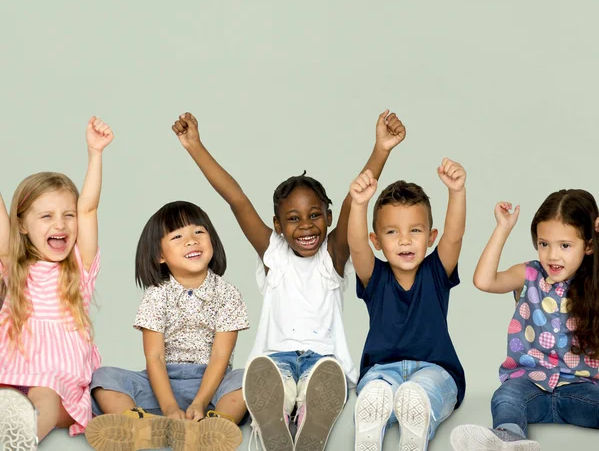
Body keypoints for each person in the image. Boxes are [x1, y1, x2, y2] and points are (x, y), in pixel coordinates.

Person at [172, 109, 405, 451]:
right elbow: (236, 198)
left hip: (323, 362)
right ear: (278, 226)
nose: (306, 226)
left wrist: (381, 149)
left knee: (320, 383)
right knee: (274, 387)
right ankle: (276, 421)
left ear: (327, 217)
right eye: (293, 219)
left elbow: (353, 200)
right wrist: (195, 146)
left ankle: (311, 420)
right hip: (275, 359)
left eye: (314, 216)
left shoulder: (333, 255)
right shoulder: (274, 254)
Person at [86, 201, 249, 451]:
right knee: (103, 377)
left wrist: (200, 402)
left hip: (212, 384)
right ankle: (139, 425)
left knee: (245, 379)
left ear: (212, 242)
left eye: (199, 232)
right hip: (161, 382)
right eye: (177, 236)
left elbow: (220, 356)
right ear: (160, 256)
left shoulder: (228, 294)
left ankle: (215, 426)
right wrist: (169, 407)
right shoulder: (156, 295)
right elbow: (155, 357)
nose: (192, 240)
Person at [451, 190, 599, 451]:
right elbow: (484, 281)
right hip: (531, 386)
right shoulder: (530, 274)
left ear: (587, 245)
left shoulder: (595, 283)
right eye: (544, 243)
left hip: (582, 390)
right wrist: (503, 228)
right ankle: (509, 439)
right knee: (505, 398)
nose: (552, 255)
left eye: (565, 245)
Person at [0, 117, 113, 449]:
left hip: (57, 380)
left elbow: (89, 207)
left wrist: (95, 153)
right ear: (21, 226)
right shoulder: (13, 264)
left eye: (68, 214)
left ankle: (17, 440)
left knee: (44, 398)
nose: (60, 224)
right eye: (46, 216)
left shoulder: (79, 266)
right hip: (9, 369)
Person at [349, 155, 467, 451]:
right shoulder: (374, 276)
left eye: (415, 230)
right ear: (376, 241)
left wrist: (457, 192)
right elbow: (355, 246)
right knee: (376, 390)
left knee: (425, 390)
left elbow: (454, 237)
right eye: (392, 232)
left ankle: (416, 425)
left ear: (430, 237)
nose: (404, 240)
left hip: (435, 368)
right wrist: (359, 204)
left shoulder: (437, 272)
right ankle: (369, 428)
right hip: (381, 369)